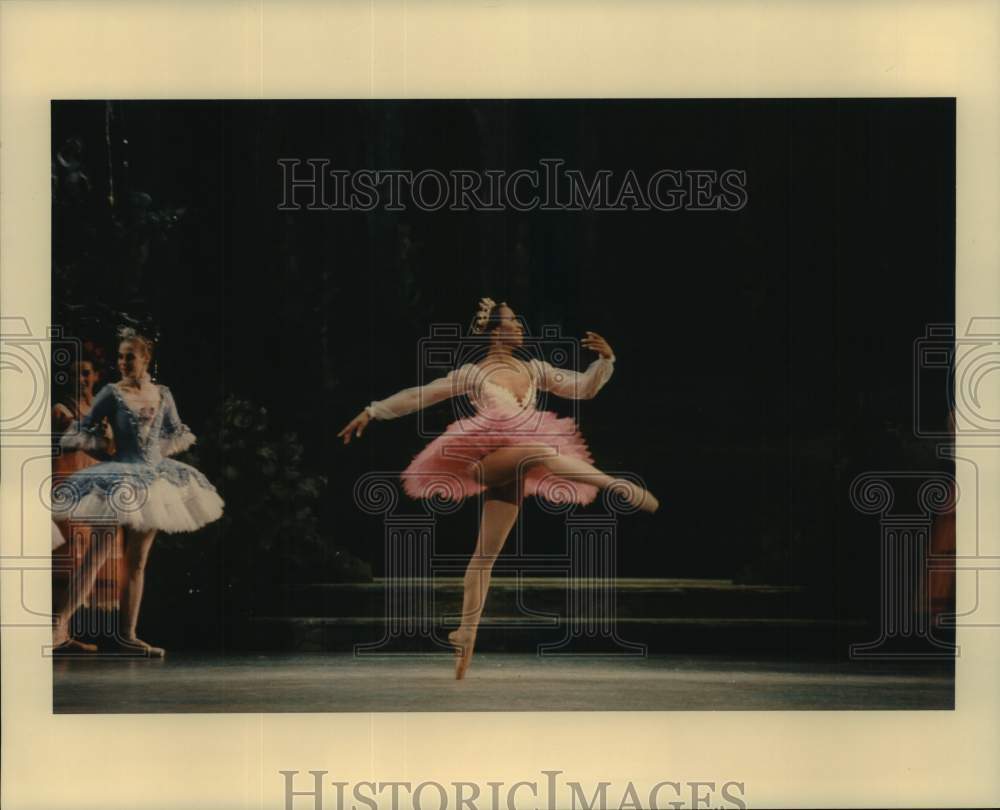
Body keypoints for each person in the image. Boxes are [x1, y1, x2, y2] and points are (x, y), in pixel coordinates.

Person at [338, 298, 658, 679]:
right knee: (539, 449)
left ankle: (465, 635)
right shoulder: (473, 374)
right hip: (487, 461)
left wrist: (606, 361)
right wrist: (372, 411)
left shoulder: (534, 370)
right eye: (512, 323)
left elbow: (582, 389)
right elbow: (418, 395)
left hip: (516, 467)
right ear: (494, 331)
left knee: (484, 556)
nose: (521, 328)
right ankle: (614, 485)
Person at [50, 328, 225, 657]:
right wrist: (110, 452)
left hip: (153, 478)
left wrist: (152, 461)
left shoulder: (163, 394)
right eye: (120, 356)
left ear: (146, 358)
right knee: (97, 554)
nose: (123, 362)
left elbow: (173, 435)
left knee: (138, 561)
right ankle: (58, 627)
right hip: (119, 475)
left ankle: (128, 635)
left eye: (130, 355)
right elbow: (86, 435)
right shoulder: (111, 393)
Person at [51, 354, 126, 639]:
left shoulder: (99, 408)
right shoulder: (61, 408)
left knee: (90, 560)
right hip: (69, 487)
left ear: (95, 376)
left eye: (85, 373)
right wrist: (105, 442)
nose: (79, 379)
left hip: (97, 489)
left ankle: (63, 632)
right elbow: (75, 441)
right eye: (73, 374)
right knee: (70, 560)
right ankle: (58, 631)